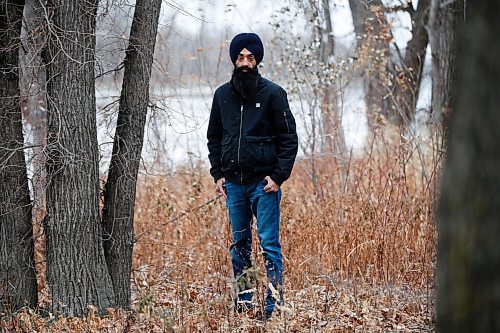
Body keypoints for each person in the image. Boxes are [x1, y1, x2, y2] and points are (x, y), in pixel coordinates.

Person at [207, 32, 298, 320]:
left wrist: (278, 177)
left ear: (257, 59)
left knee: (269, 245)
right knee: (240, 246)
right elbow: (214, 137)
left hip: (264, 185)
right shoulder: (222, 95)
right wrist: (218, 174)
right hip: (233, 185)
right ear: (234, 59)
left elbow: (289, 139)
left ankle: (273, 308)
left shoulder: (273, 93)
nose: (245, 62)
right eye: (240, 57)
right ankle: (245, 306)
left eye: (250, 57)